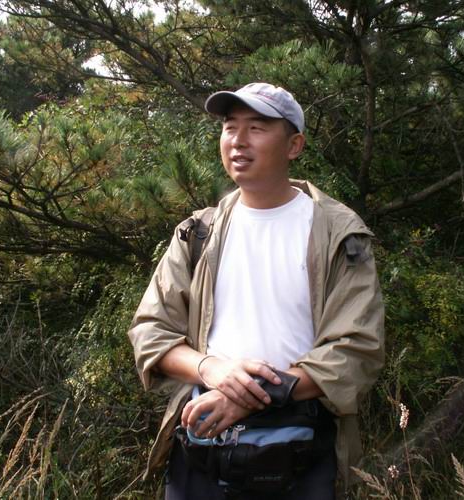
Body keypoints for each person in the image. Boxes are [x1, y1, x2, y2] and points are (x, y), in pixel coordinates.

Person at [128, 82, 385, 499]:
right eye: (230, 127)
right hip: (201, 449)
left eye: (257, 127)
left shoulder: (339, 234)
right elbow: (151, 331)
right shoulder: (198, 233)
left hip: (300, 453)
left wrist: (252, 397)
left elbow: (357, 349)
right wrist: (211, 369)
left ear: (294, 145)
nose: (238, 140)